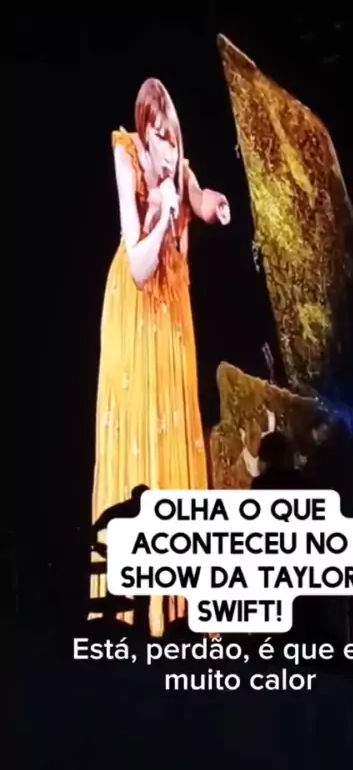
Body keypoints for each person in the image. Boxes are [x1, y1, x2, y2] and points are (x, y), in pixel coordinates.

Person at [91, 79, 231, 636]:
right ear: (144, 133)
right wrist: (161, 213)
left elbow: (201, 198)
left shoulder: (180, 171)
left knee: (175, 430)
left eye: (174, 140)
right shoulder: (126, 155)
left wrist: (212, 206)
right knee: (140, 432)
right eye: (160, 139)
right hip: (137, 303)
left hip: (173, 308)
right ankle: (131, 614)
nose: (169, 152)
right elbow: (137, 264)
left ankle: (183, 614)